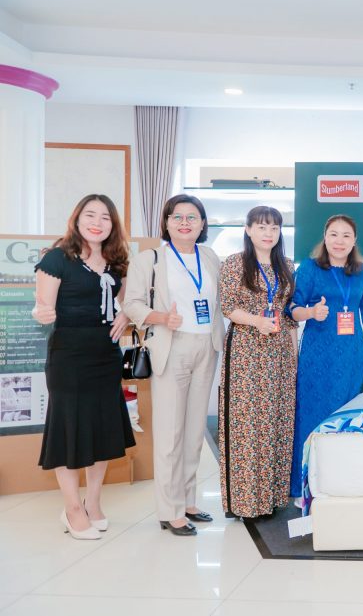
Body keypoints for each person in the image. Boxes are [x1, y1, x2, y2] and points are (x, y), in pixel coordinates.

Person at [32, 194, 135, 540]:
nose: (97, 222)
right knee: (69, 429)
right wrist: (41, 312)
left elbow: (129, 302)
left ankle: (93, 502)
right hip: (69, 355)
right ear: (77, 219)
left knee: (102, 428)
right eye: (90, 215)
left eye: (105, 217)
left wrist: (126, 314)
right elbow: (41, 306)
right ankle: (72, 508)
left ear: (112, 225)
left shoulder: (118, 261)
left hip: (106, 355)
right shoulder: (57, 257)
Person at [123, 194, 224, 536]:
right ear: (166, 222)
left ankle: (188, 501)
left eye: (192, 217)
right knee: (170, 433)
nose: (184, 222)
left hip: (206, 346)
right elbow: (132, 304)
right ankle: (170, 510)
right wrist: (162, 317)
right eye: (177, 216)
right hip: (171, 346)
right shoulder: (150, 259)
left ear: (202, 224)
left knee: (194, 431)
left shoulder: (210, 257)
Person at [288, 214, 363, 498]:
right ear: (325, 237)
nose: (339, 241)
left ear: (354, 241)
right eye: (334, 234)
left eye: (346, 235)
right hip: (317, 354)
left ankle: (341, 482)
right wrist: (311, 312)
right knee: (312, 414)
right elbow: (292, 308)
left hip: (352, 354)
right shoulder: (309, 268)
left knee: (346, 417)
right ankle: (305, 486)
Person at [218, 206, 298, 519]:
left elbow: (289, 314)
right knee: (247, 424)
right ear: (248, 229)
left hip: (279, 352)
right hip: (246, 351)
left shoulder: (287, 265)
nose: (268, 233)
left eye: (274, 228)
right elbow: (228, 306)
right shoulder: (235, 263)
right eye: (262, 227)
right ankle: (247, 502)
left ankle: (272, 498)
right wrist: (256, 321)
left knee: (276, 421)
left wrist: (294, 356)